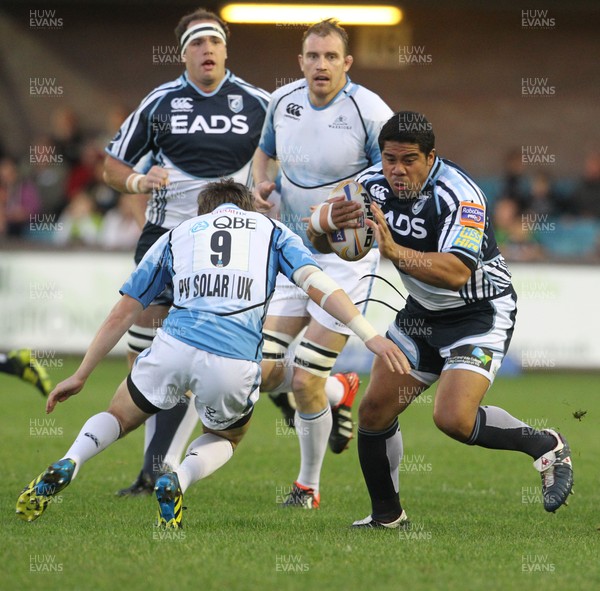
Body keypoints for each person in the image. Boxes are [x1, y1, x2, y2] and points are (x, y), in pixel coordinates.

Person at [15, 180, 409, 529]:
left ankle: (72, 459)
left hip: (173, 345)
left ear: (205, 211)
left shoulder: (180, 232)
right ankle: (180, 478)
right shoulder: (270, 229)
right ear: (246, 206)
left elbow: (125, 309)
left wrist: (81, 374)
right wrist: (369, 335)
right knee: (226, 435)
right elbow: (319, 286)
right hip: (233, 360)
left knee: (118, 414)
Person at [307, 112, 574, 527]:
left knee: (452, 418)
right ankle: (387, 518)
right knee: (375, 410)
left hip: (479, 312)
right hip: (421, 315)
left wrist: (395, 253)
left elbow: (456, 272)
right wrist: (326, 226)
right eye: (389, 158)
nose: (396, 170)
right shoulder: (369, 184)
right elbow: (320, 239)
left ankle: (546, 444)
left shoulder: (461, 195)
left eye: (409, 159)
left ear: (431, 157)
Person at [103, 7, 270, 496]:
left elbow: (281, 159)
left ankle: (163, 469)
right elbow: (111, 167)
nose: (207, 51)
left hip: (228, 246)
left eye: (214, 42)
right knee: (148, 361)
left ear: (225, 49)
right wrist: (138, 178)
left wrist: (269, 187)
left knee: (221, 355)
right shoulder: (160, 102)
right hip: (164, 238)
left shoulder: (259, 102)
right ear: (184, 54)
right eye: (197, 44)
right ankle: (154, 467)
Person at [252, 18, 393, 508]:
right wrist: (259, 185)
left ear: (346, 63)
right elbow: (263, 154)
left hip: (346, 260)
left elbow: (393, 173)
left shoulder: (368, 110)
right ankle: (341, 390)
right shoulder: (282, 102)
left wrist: (343, 204)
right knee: (266, 371)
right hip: (293, 252)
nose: (321, 65)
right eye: (313, 56)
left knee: (303, 378)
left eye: (331, 57)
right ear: (301, 61)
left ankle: (307, 486)